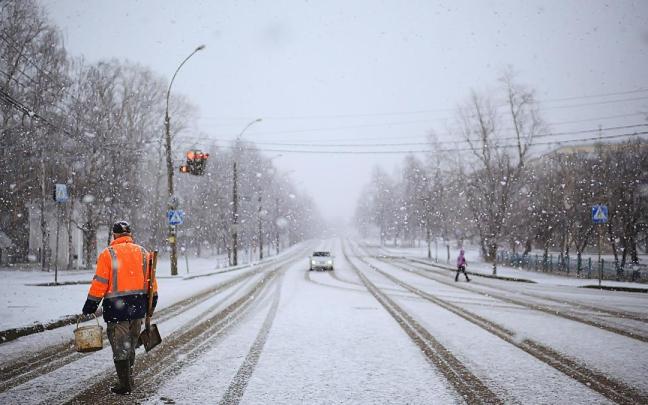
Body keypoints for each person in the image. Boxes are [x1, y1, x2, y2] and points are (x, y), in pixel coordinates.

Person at [81, 220, 158, 395]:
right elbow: (151, 282)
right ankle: (128, 377)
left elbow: (100, 283)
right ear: (129, 235)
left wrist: (90, 305)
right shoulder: (143, 253)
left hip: (117, 311)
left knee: (120, 346)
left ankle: (125, 384)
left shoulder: (108, 254)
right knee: (130, 344)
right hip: (137, 309)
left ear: (114, 235)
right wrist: (152, 303)